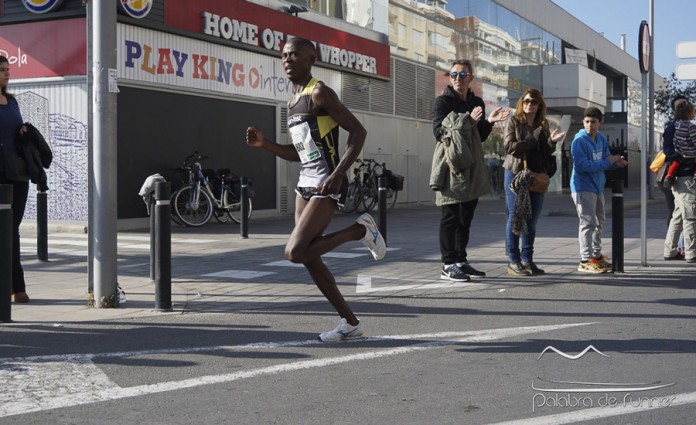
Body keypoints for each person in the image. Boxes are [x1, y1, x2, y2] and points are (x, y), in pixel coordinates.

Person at [245, 38, 385, 342]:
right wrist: (265, 144)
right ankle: (350, 322)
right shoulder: (292, 103)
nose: (287, 59)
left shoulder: (320, 92)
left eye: (294, 54)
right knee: (309, 257)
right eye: (283, 55)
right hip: (305, 185)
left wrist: (338, 174)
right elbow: (300, 153)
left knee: (294, 252)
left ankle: (360, 231)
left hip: (327, 183)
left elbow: (358, 132)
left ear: (311, 58)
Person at [431, 60, 509, 282]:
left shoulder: (477, 102)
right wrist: (468, 121)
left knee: (466, 217)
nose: (457, 78)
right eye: (453, 74)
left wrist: (488, 122)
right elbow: (438, 132)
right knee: (450, 216)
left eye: (462, 74)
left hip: (472, 166)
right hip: (451, 165)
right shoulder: (442, 102)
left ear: (470, 78)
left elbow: (480, 135)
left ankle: (460, 261)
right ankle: (447, 265)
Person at [502, 89, 565, 276]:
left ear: (539, 105)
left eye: (535, 102)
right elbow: (510, 147)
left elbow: (544, 153)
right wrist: (532, 139)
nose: (530, 104)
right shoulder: (513, 121)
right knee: (516, 218)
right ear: (522, 102)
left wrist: (551, 142)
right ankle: (513, 260)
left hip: (536, 176)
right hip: (516, 174)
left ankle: (527, 260)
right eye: (527, 101)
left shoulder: (541, 125)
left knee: (532, 220)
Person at [570, 107, 628, 273]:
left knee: (599, 222)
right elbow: (581, 166)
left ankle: (596, 255)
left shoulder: (601, 138)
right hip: (582, 186)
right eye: (587, 122)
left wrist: (616, 162)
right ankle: (585, 259)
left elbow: (605, 159)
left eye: (593, 122)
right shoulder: (579, 141)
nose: (590, 125)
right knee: (587, 223)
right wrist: (607, 162)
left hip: (597, 186)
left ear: (600, 123)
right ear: (583, 122)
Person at [0, 55, 30, 303]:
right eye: (2, 70)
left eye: (8, 69)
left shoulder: (12, 102)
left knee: (12, 228)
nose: (7, 73)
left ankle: (16, 286)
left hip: (17, 172)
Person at [663, 97, 696, 263]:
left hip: (678, 174)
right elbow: (668, 151)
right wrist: (685, 159)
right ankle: (691, 253)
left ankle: (670, 250)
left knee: (678, 215)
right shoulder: (682, 127)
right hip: (685, 176)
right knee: (690, 215)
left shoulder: (673, 127)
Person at [663, 101, 696, 186]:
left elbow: (675, 138)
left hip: (680, 152)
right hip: (690, 153)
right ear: (689, 113)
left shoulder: (677, 124)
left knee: (676, 163)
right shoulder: (691, 126)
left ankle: (669, 176)